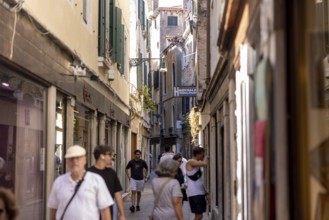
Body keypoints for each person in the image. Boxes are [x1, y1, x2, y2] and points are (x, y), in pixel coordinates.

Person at [47, 145, 114, 220]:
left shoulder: (96, 180)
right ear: (67, 162)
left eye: (78, 158)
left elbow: (105, 210)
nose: (75, 161)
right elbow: (54, 210)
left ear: (84, 160)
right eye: (71, 158)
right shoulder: (59, 182)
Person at [87, 145, 126, 220]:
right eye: (109, 154)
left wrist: (122, 214)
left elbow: (118, 194)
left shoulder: (112, 173)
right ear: (102, 156)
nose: (111, 157)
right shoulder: (88, 173)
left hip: (107, 214)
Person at [186, 146, 209, 220]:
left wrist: (205, 193)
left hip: (200, 193)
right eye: (202, 154)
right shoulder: (190, 162)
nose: (203, 156)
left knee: (200, 216)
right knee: (198, 216)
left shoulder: (198, 164)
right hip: (194, 193)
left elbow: (199, 180)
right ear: (197, 154)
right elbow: (205, 164)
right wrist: (207, 157)